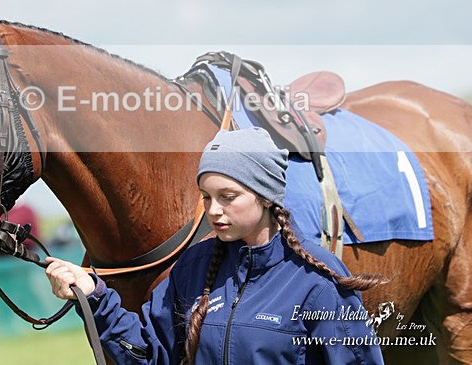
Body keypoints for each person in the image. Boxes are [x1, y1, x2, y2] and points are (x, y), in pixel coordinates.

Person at [46, 128, 385, 364]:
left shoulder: (317, 281)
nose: (214, 210)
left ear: (267, 196)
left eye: (228, 196)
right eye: (207, 197)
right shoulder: (192, 267)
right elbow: (150, 353)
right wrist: (95, 297)